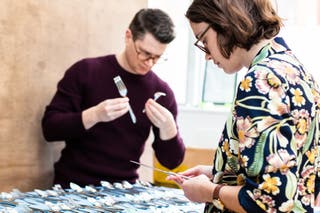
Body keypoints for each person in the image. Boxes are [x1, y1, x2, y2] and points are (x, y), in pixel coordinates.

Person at [167, 0, 320, 212]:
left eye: (204, 40)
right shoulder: (295, 69)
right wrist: (219, 173)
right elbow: (292, 170)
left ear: (227, 23)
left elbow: (269, 199)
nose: (207, 55)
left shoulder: (262, 81)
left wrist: (210, 191)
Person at [41, 8, 185, 188]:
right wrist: (94, 115)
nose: (149, 63)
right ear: (128, 36)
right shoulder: (86, 71)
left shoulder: (161, 92)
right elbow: (50, 129)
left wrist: (169, 129)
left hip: (124, 190)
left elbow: (171, 162)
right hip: (72, 186)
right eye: (144, 53)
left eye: (157, 58)